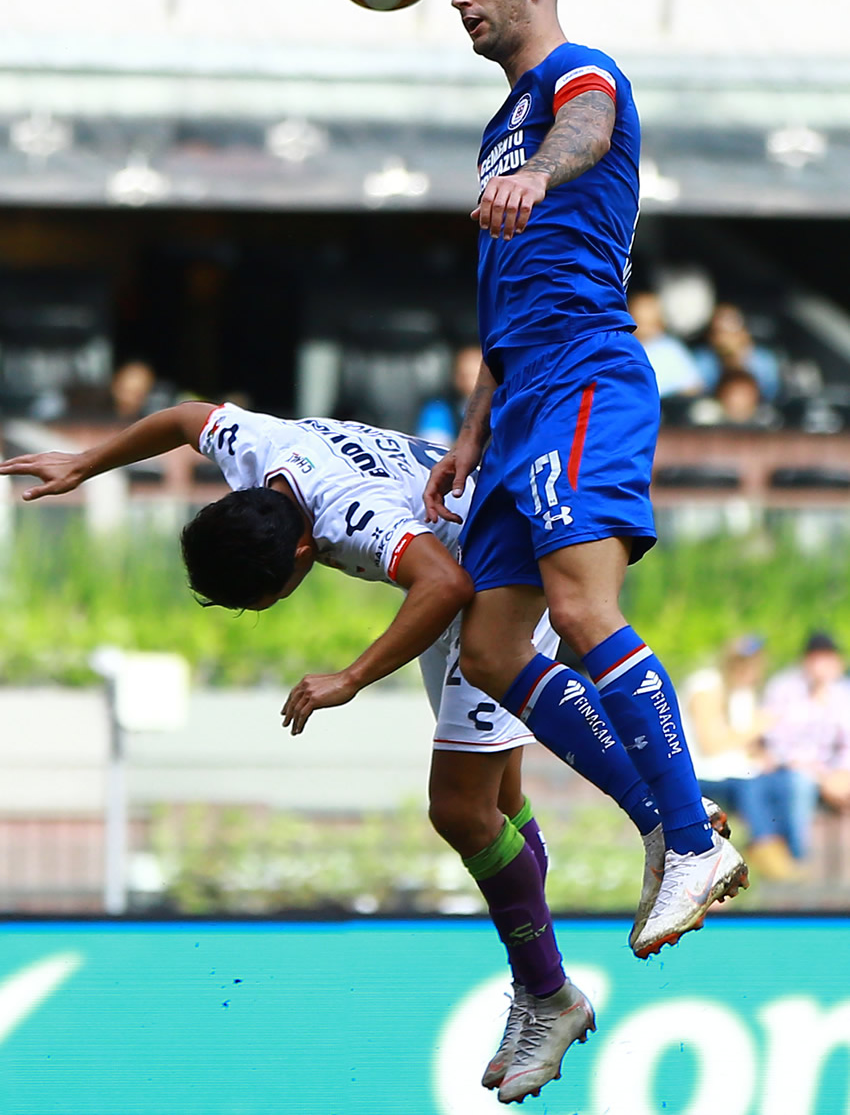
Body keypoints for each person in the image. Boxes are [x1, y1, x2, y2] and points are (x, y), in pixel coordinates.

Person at [1, 401, 729, 1101]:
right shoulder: (256, 449)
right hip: (459, 557)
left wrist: (350, 677)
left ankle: (555, 984)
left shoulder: (351, 516)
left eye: (265, 596)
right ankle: (584, 925)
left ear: (303, 551)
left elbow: (443, 585)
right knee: (496, 800)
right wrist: (87, 463)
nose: (264, 608)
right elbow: (187, 417)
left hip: (486, 577)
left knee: (458, 808)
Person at [424, 0, 748, 1098]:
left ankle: (696, 838)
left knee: (577, 604)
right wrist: (465, 438)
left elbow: (589, 129)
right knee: (495, 646)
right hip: (516, 404)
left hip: (585, 375)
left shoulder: (578, 79)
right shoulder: (494, 127)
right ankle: (663, 818)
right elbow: (497, 304)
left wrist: (540, 170)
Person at [684, 636, 800, 880]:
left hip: (738, 774)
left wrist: (766, 755)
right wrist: (755, 728)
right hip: (704, 776)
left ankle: (788, 852)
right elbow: (710, 745)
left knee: (792, 783)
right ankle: (765, 849)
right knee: (751, 787)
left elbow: (745, 748)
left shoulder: (743, 695)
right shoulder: (706, 687)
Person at [758, 631, 850, 861]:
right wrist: (822, 776)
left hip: (834, 773)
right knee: (799, 785)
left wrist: (842, 773)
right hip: (790, 770)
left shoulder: (842, 692)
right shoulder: (783, 689)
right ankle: (800, 862)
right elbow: (776, 744)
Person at [693, 302, 781, 402]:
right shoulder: (702, 359)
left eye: (731, 327)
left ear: (744, 330)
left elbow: (772, 395)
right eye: (718, 330)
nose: (724, 337)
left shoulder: (764, 360)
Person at [629, 290, 704, 399]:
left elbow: (693, 387)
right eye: (640, 321)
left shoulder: (671, 349)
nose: (645, 328)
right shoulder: (623, 347)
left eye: (650, 322)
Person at [417, 343, 482, 447]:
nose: (470, 382)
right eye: (465, 375)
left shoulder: (503, 408)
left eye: (475, 375)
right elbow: (433, 450)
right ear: (456, 377)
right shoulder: (438, 409)